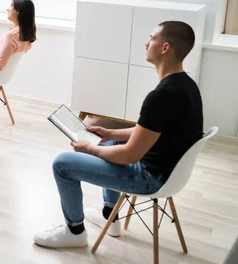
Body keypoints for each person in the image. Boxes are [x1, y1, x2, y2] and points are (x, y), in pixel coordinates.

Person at [33, 21, 203, 248]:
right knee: (111, 143)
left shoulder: (161, 96)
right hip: (167, 171)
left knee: (62, 164)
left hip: (150, 178)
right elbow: (149, 130)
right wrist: (107, 133)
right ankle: (109, 216)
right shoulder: (185, 85)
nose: (146, 42)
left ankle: (74, 232)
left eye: (151, 38)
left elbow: (130, 156)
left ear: (165, 48)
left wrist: (91, 148)